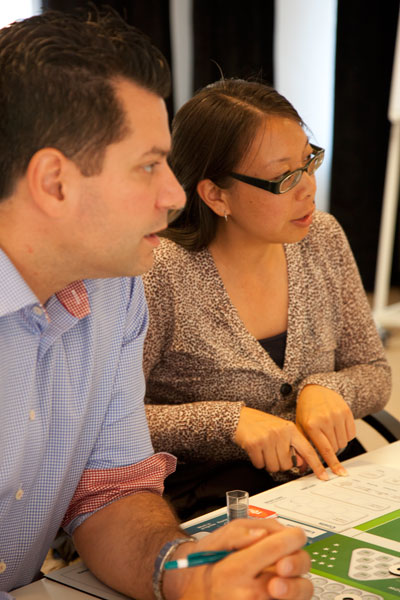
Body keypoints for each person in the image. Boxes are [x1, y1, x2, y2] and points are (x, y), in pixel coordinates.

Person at [0, 9, 314, 600]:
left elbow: (109, 491)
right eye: (148, 166)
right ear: (53, 182)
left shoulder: (113, 288)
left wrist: (188, 572)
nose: (174, 194)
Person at [142, 78, 392, 520]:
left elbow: (375, 372)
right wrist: (231, 421)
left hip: (327, 479)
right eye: (284, 178)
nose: (308, 187)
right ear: (216, 194)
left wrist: (326, 388)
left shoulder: (323, 238)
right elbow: (108, 420)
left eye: (309, 161)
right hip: (208, 498)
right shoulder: (159, 271)